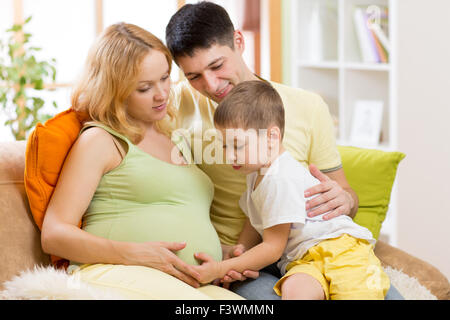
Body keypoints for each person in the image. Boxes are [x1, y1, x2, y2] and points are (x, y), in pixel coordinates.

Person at [165, 1, 404, 300]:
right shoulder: (174, 104)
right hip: (262, 261)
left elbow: (347, 196)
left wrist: (345, 198)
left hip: (321, 244)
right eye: (193, 76)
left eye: (217, 65)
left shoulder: (307, 106)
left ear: (239, 42)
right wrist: (233, 257)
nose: (211, 85)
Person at [40, 22, 243, 300]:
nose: (161, 94)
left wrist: (224, 256)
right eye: (145, 88)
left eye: (164, 78)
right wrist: (135, 254)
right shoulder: (102, 140)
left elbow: (174, 212)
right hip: (114, 273)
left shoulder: (175, 137)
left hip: (190, 284)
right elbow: (54, 233)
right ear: (115, 90)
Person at [190, 80, 390, 299]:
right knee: (295, 291)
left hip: (341, 251)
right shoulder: (256, 173)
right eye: (225, 145)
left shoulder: (280, 177)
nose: (229, 156)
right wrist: (240, 253)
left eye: (237, 145)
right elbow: (256, 221)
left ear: (271, 137)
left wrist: (221, 268)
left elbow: (272, 248)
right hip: (303, 260)